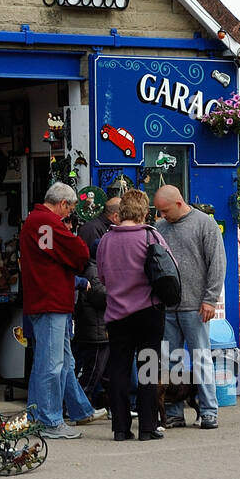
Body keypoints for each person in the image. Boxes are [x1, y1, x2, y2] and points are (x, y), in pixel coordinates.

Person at [18, 182, 107, 439]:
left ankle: (56, 414)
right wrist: (75, 248)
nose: (69, 216)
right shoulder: (46, 222)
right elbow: (78, 252)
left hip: (45, 300)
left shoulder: (36, 221)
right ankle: (49, 421)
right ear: (63, 204)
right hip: (51, 300)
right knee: (52, 363)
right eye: (70, 209)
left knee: (57, 361)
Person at [96, 188, 171, 441]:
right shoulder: (151, 237)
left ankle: (120, 428)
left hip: (117, 313)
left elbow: (102, 277)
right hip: (149, 311)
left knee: (118, 369)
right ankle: (148, 427)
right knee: (147, 368)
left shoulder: (106, 240)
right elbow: (169, 270)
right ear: (144, 211)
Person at [153, 185, 226, 430]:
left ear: (178, 202)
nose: (162, 216)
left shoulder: (205, 224)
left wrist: (210, 299)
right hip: (169, 307)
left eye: (164, 210)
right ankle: (174, 412)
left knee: (201, 358)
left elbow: (217, 262)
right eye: (159, 212)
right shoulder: (160, 228)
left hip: (196, 305)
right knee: (172, 361)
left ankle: (208, 411)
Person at [73, 192, 121, 409]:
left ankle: (107, 405)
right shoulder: (93, 268)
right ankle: (80, 407)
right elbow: (99, 295)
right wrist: (121, 297)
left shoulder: (98, 266)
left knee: (103, 370)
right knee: (92, 371)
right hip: (96, 329)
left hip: (98, 328)